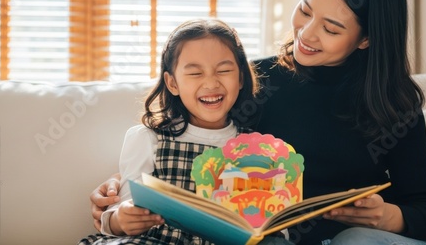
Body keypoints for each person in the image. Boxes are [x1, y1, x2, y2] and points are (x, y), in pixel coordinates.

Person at [89, 0, 426, 244]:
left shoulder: (395, 103)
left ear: (366, 38)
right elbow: (191, 135)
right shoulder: (253, 79)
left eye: (331, 29)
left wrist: (388, 217)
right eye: (305, 10)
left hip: (348, 239)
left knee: (356, 240)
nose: (306, 33)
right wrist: (124, 187)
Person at [78, 18, 292, 245]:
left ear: (240, 78)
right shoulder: (148, 139)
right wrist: (121, 220)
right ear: (172, 83)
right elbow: (120, 210)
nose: (211, 83)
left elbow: (276, 224)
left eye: (224, 70)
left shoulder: (257, 149)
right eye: (195, 73)